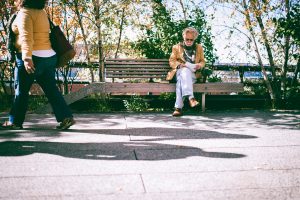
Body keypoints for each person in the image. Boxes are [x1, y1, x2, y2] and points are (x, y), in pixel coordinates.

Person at [1, 0, 75, 130]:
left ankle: (15, 121)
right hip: (48, 57)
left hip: (32, 58)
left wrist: (27, 58)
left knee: (21, 91)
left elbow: (26, 36)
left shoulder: (25, 13)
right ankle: (65, 117)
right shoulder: (42, 12)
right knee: (51, 90)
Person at [167, 27, 206, 117]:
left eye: (191, 40)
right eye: (186, 39)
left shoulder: (199, 47)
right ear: (183, 38)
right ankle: (191, 98)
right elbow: (171, 61)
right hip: (179, 71)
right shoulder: (176, 47)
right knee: (184, 71)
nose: (189, 41)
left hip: (193, 74)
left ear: (194, 39)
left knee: (180, 82)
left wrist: (199, 65)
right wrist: (180, 65)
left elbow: (203, 61)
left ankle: (178, 108)